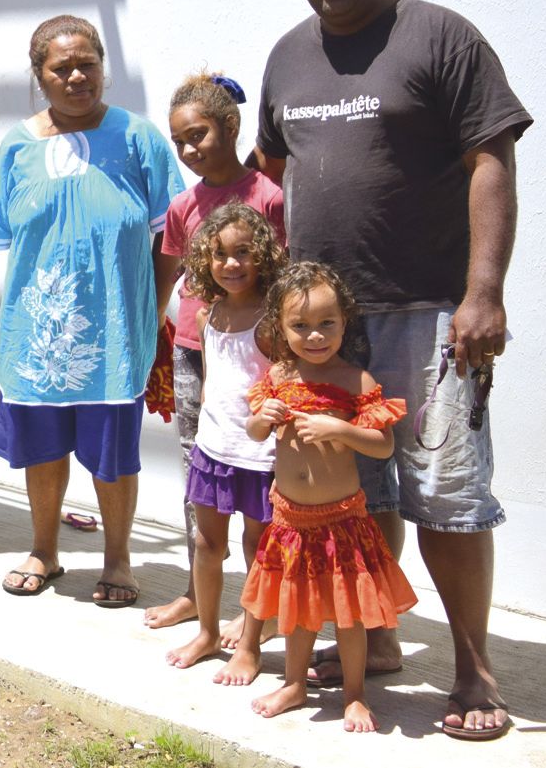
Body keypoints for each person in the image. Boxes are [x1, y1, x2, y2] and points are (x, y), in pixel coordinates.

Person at [254, 0, 530, 741]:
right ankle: (372, 636)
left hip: (429, 310)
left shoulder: (441, 37)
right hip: (326, 325)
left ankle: (472, 667)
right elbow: (273, 176)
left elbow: (493, 157)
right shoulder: (287, 55)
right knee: (353, 491)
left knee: (445, 493)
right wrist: (269, 308)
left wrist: (483, 292)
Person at [0, 15, 183, 607]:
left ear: (102, 66)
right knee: (43, 449)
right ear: (39, 75)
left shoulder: (137, 137)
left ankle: (118, 559)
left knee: (112, 453)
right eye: (61, 67)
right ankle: (45, 550)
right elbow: (13, 237)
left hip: (117, 328)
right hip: (37, 331)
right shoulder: (17, 146)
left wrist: (153, 307)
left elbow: (171, 236)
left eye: (87, 65)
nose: (77, 76)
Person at [241, 262, 417, 734]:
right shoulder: (278, 376)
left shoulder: (354, 380)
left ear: (344, 322)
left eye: (326, 324)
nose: (314, 336)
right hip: (291, 521)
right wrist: (264, 417)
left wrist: (340, 428)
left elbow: (383, 445)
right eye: (300, 326)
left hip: (341, 520)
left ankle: (355, 696)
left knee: (348, 614)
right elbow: (254, 430)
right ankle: (294, 683)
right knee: (297, 612)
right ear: (281, 326)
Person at [142, 73, 286, 634]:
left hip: (256, 358)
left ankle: (261, 607)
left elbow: (283, 277)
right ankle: (196, 594)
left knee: (259, 479)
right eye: (179, 141)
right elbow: (170, 270)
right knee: (198, 473)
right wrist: (157, 324)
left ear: (231, 128)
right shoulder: (183, 205)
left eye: (197, 135)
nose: (187, 149)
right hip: (194, 354)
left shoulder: (268, 198)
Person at [165, 202, 283, 684]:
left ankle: (252, 643)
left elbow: (278, 386)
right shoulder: (210, 313)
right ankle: (208, 631)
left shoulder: (272, 318)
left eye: (242, 252)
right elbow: (214, 382)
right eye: (219, 254)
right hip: (214, 452)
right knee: (207, 543)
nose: (231, 264)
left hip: (260, 456)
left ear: (263, 256)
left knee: (259, 550)